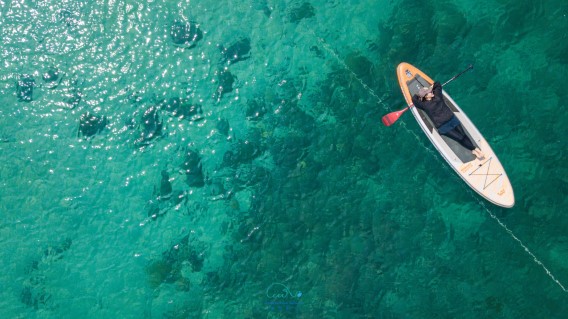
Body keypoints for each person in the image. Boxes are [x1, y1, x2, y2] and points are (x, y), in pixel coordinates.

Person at [412, 81, 485, 160]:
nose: (432, 92)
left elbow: (438, 84)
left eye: (431, 91)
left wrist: (430, 88)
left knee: (463, 135)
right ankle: (476, 149)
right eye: (429, 92)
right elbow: (414, 99)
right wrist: (420, 94)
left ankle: (473, 150)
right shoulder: (424, 105)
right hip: (443, 127)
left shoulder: (437, 96)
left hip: (452, 119)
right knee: (459, 138)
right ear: (425, 96)